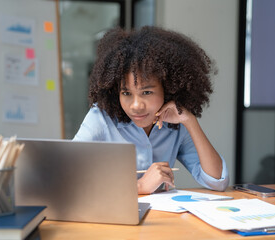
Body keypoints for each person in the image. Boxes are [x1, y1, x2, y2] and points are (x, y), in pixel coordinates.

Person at [74, 26, 229, 194]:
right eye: (126, 93)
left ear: (168, 89)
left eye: (146, 92)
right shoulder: (101, 118)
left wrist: (190, 121)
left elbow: (217, 181)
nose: (136, 105)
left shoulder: (177, 124)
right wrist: (140, 187)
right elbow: (67, 176)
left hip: (158, 217)